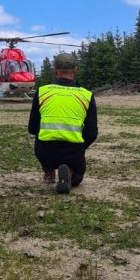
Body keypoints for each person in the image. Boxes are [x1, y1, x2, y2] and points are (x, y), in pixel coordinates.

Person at [28, 53, 98, 194]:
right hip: (73, 151)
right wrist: (80, 147)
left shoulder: (42, 92)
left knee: (40, 136)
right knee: (78, 177)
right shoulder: (86, 95)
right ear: (76, 70)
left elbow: (32, 128)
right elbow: (92, 132)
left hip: (45, 151)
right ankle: (71, 174)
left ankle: (49, 171)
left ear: (55, 71)